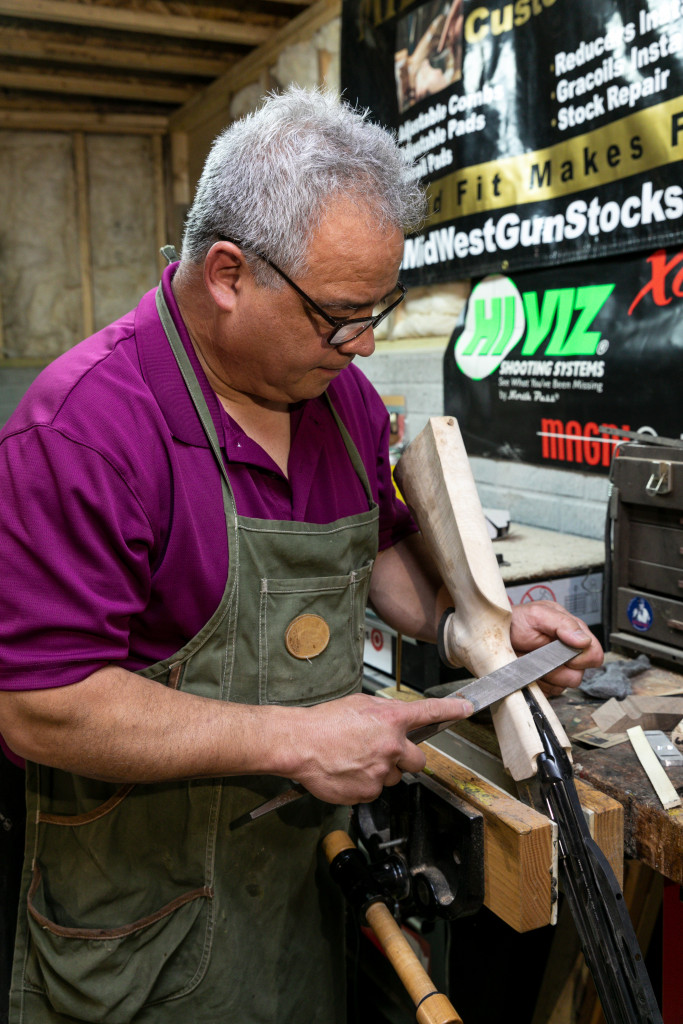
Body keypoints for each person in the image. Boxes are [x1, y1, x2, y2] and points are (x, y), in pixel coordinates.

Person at [0, 86, 602, 1024]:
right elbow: (43, 707)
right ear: (230, 274)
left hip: (295, 885)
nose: (362, 346)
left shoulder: (341, 400)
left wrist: (469, 629)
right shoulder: (83, 431)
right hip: (134, 915)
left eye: (378, 310)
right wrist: (296, 740)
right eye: (338, 315)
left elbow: (379, 542)